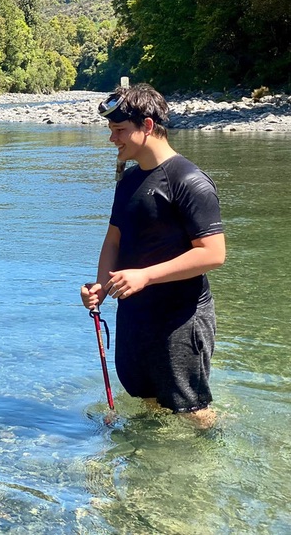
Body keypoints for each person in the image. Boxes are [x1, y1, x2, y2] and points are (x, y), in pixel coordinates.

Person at [80, 83, 225, 427]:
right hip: (135, 316)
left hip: (180, 320)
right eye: (111, 130)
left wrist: (145, 275)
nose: (112, 139)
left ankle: (209, 470)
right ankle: (154, 472)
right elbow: (113, 239)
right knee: (149, 405)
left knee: (193, 413)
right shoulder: (129, 180)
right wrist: (100, 287)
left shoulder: (189, 181)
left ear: (146, 126)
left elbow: (213, 254)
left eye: (119, 130)